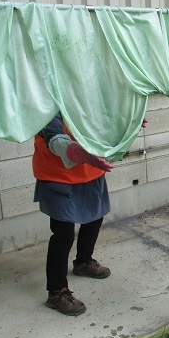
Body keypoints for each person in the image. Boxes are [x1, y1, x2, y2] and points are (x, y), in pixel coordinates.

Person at [33, 112, 116, 316]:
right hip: (59, 173)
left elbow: (107, 117)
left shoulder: (89, 89)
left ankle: (83, 262)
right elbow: (53, 135)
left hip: (91, 168)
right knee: (63, 234)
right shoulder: (49, 97)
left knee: (95, 217)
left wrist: (127, 120)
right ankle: (57, 292)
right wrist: (72, 150)